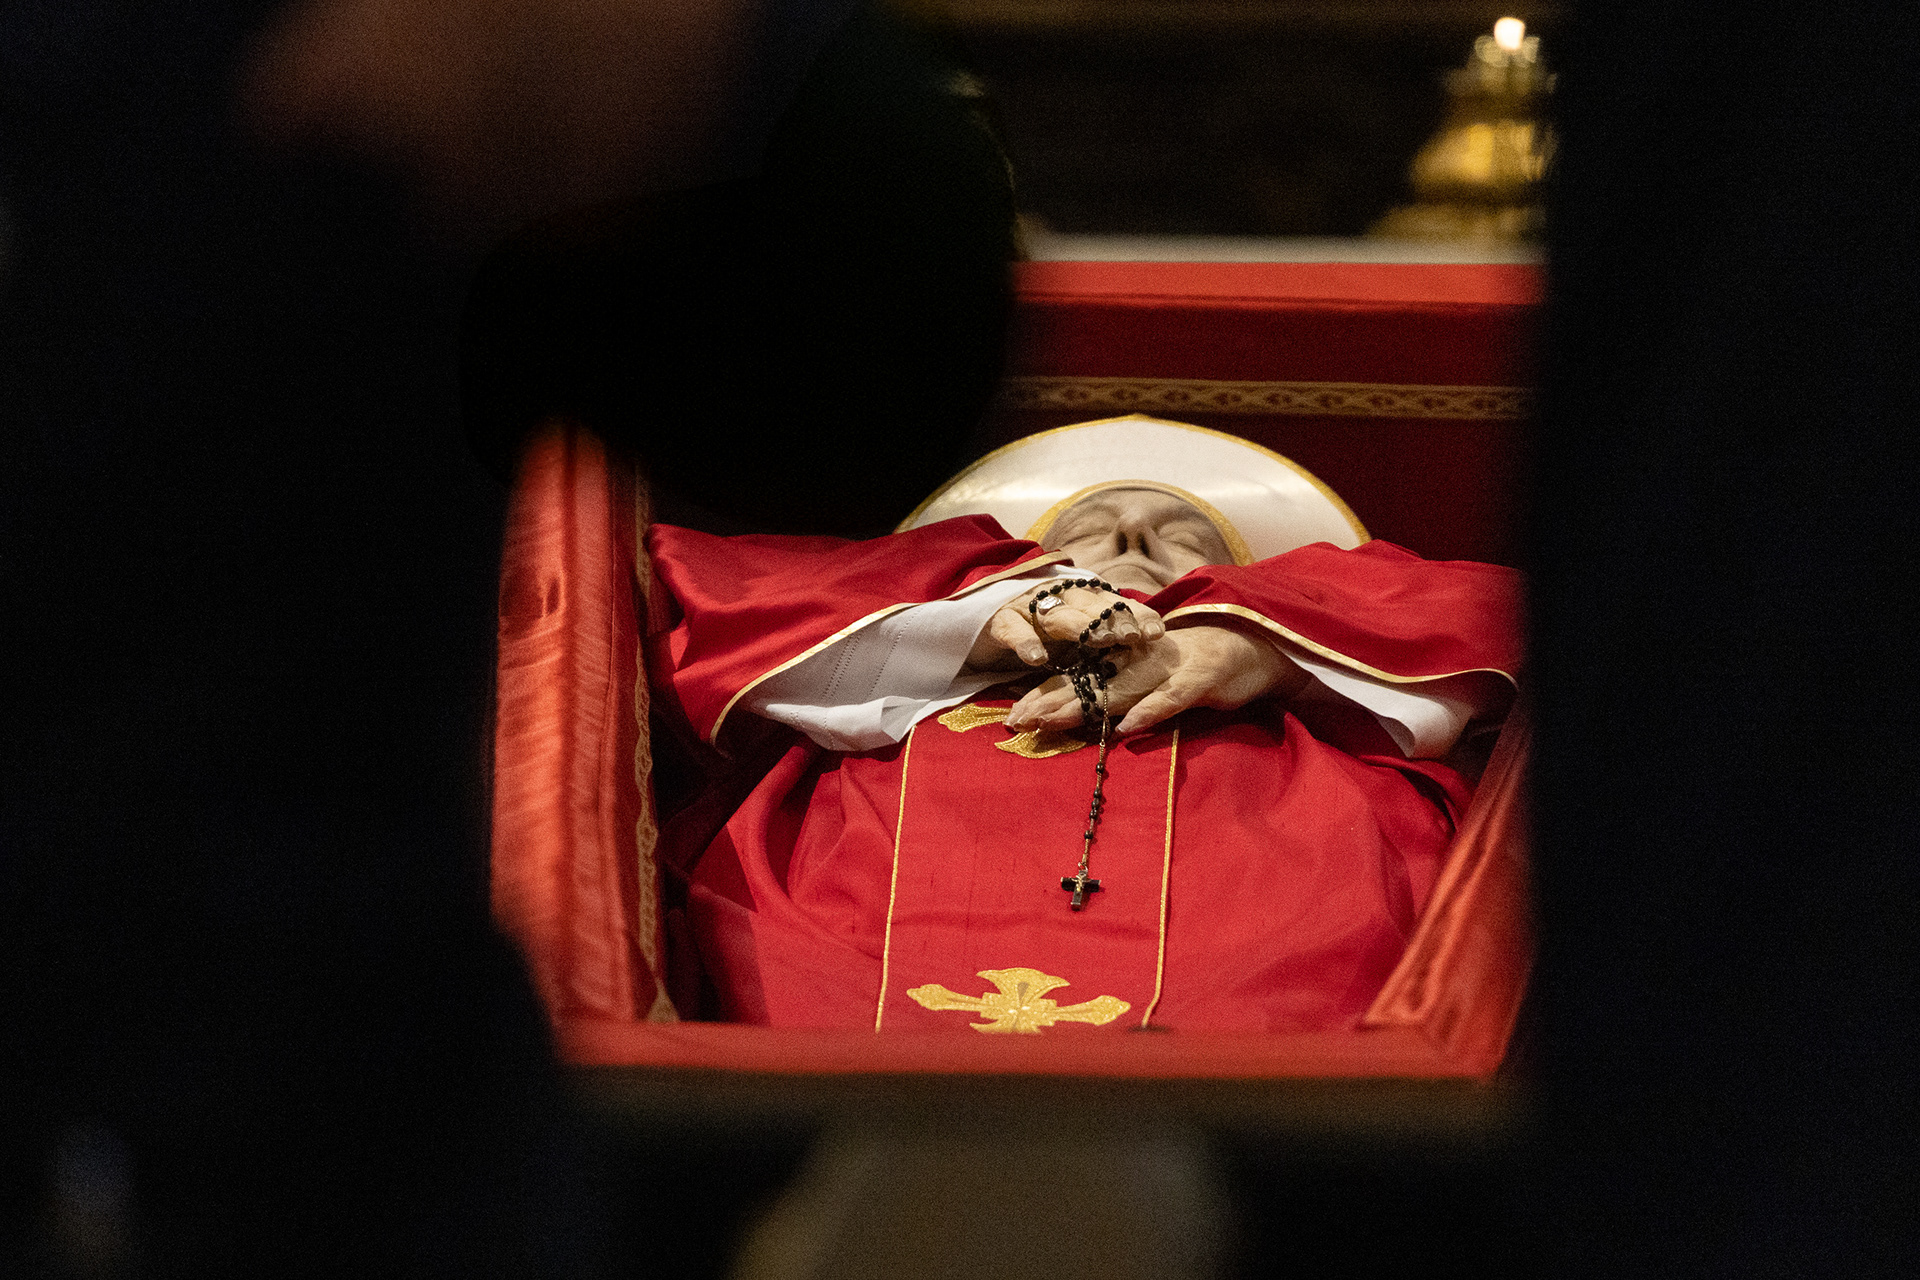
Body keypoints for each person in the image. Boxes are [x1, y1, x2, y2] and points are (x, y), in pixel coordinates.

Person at [644, 418, 1523, 1033]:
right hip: (853, 940)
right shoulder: (893, 649)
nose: (1136, 530)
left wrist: (1258, 643)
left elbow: (1523, 615)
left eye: (1187, 535)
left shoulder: (1313, 674)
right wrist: (986, 621)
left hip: (1272, 923)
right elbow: (692, 586)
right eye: (1087, 528)